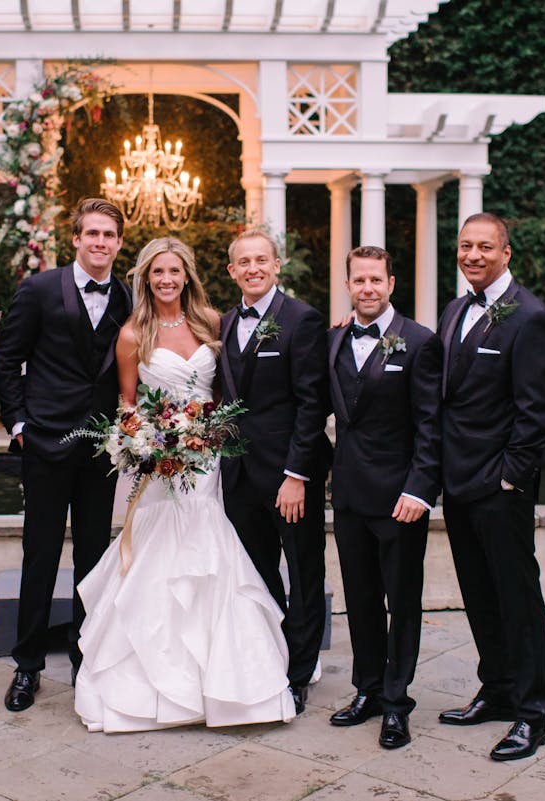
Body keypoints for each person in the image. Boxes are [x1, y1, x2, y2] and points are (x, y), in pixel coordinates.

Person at [74, 237, 296, 732]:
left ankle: (229, 682)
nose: (167, 280)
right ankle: (156, 681)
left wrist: (204, 437)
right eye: (158, 273)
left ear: (187, 275)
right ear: (146, 279)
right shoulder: (133, 334)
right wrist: (147, 445)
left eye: (174, 271)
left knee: (212, 553)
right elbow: (127, 405)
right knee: (160, 558)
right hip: (159, 468)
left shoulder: (211, 323)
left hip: (211, 460)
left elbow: (223, 391)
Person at [0, 198, 133, 712]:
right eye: (92, 233)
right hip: (46, 444)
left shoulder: (126, 295)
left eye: (109, 235)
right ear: (75, 239)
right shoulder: (37, 290)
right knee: (40, 554)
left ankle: (86, 660)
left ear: (119, 243)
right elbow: (8, 358)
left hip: (101, 449)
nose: (100, 242)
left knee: (94, 558)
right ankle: (27, 666)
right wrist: (19, 423)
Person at [436, 212, 545, 761]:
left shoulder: (531, 317)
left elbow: (538, 412)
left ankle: (534, 714)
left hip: (500, 486)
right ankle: (498, 690)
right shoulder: (455, 309)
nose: (473, 256)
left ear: (506, 252)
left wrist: (511, 477)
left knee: (517, 597)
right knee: (480, 596)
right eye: (466, 246)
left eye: (485, 247)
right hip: (458, 482)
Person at [325, 246, 442, 749]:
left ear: (392, 283)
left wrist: (421, 489)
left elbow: (431, 426)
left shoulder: (419, 342)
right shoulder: (333, 340)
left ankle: (397, 703)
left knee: (403, 602)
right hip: (348, 495)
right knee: (361, 600)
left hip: (400, 498)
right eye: (359, 280)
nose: (367, 288)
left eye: (376, 279)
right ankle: (368, 689)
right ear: (348, 285)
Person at [218, 228, 331, 715]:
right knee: (259, 575)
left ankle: (300, 671)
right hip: (239, 476)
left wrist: (297, 475)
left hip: (289, 479)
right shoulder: (223, 324)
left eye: (261, 260)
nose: (253, 269)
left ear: (276, 265)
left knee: (304, 573)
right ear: (231, 271)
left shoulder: (302, 320)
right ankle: (270, 656)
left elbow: (312, 403)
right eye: (244, 262)